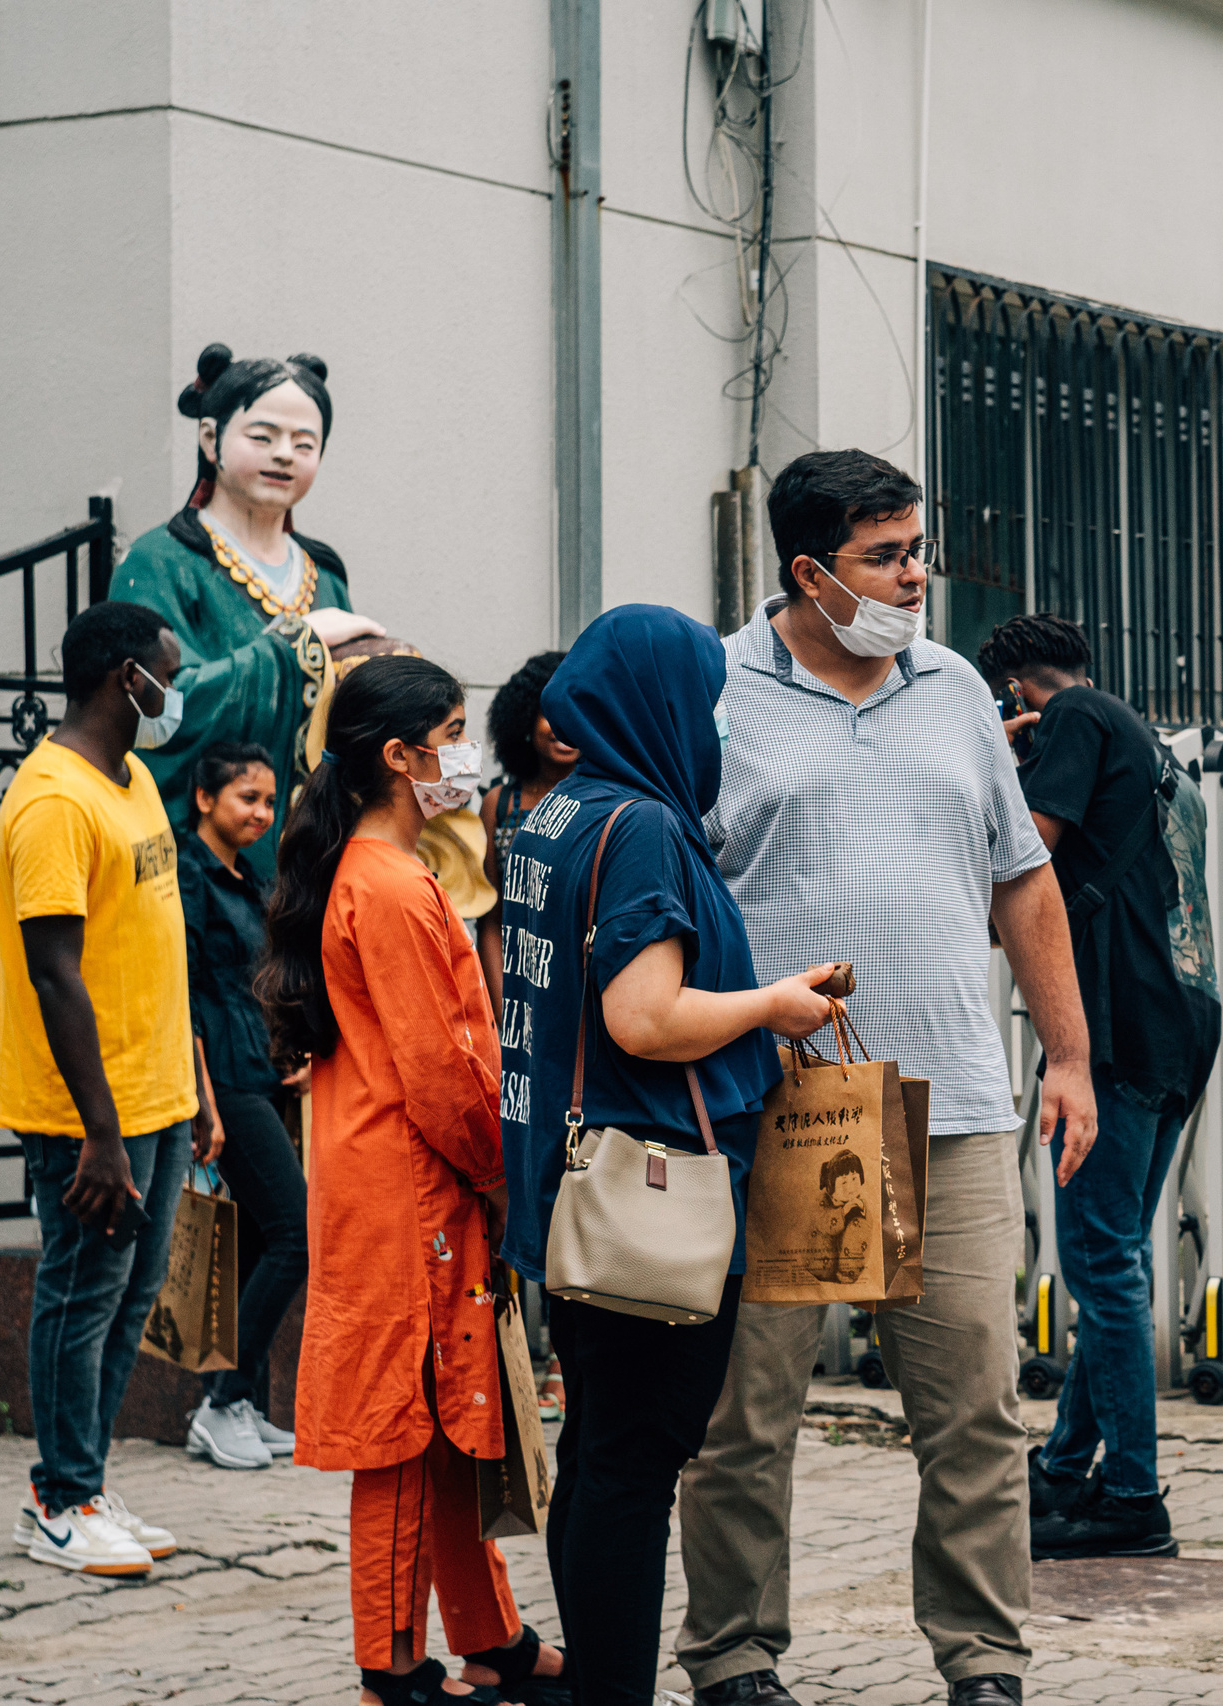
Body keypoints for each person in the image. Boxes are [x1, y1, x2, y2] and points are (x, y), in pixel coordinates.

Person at [676, 450, 1098, 1706]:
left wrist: (1067, 1051)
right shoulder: (716, 691)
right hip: (791, 1107)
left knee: (974, 1403)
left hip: (953, 1104)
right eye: (887, 555)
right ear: (807, 570)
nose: (917, 576)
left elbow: (1021, 875)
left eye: (920, 547)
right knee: (750, 1415)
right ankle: (736, 1656)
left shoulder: (955, 682)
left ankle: (984, 1663)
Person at [495, 604, 843, 1706]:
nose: (717, 727)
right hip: (653, 1196)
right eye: (706, 705)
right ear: (655, 703)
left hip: (575, 1189)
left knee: (601, 1452)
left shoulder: (555, 813)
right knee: (634, 1465)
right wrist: (771, 1005)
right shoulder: (641, 824)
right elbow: (642, 1017)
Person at [254, 656, 565, 1706]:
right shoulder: (388, 883)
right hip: (412, 1192)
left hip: (404, 1183)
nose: (464, 756)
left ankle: (492, 1638)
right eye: (451, 732)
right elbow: (441, 1067)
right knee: (400, 1429)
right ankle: (391, 1662)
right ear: (400, 756)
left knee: (444, 1420)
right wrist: (500, 1167)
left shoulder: (376, 869)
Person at [975, 612, 1221, 1564]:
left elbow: (1024, 848)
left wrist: (990, 759)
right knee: (1114, 1255)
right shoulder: (1146, 744)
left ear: (1020, 695)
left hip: (1116, 1024)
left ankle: (1130, 1496)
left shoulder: (1074, 719)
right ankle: (1070, 1463)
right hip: (1181, 1018)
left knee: (1102, 1263)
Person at [0, 602, 219, 1578]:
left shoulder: (128, 779)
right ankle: (57, 1497)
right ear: (131, 678)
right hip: (93, 1116)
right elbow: (56, 974)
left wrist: (196, 1079)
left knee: (126, 1301)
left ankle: (85, 1480)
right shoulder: (52, 800)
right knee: (79, 1296)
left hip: (160, 1091)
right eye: (171, 671)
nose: (179, 689)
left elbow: (150, 943)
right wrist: (98, 1134)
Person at [112, 343, 389, 884]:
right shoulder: (162, 562)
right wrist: (292, 647)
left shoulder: (325, 574)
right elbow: (152, 711)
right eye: (262, 437)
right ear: (211, 438)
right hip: (203, 865)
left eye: (304, 443)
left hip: (314, 855)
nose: (284, 454)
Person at [177, 740, 308, 1472]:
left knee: (259, 1239)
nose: (260, 812)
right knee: (297, 1232)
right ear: (205, 799)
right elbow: (186, 992)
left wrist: (290, 1053)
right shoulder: (189, 876)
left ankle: (243, 1404)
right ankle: (220, 1404)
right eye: (245, 798)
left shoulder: (248, 879)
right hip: (219, 1077)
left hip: (257, 1068)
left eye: (266, 800)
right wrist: (204, 1102)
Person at [479, 649, 578, 1008]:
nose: (563, 725)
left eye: (576, 711)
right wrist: (505, 1007)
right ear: (524, 721)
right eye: (549, 713)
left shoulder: (609, 804)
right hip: (519, 990)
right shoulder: (500, 804)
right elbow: (491, 917)